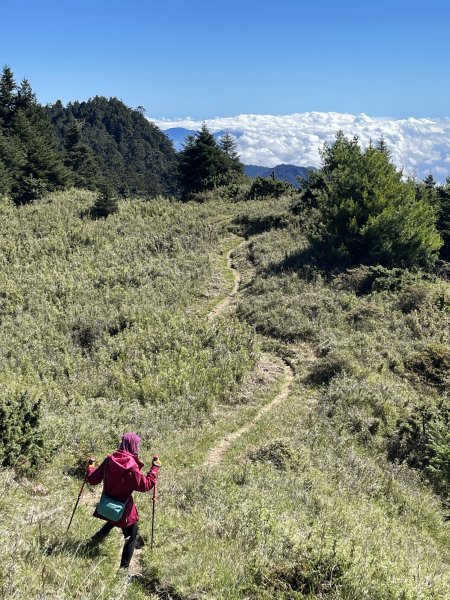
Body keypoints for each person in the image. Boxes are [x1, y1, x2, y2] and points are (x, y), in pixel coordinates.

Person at [86, 432, 161, 570]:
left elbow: (92, 479)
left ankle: (96, 539)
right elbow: (145, 486)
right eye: (137, 445)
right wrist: (155, 468)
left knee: (114, 517)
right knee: (131, 537)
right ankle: (123, 571)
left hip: (106, 504)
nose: (138, 447)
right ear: (133, 446)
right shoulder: (131, 467)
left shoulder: (109, 461)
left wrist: (90, 467)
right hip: (124, 509)